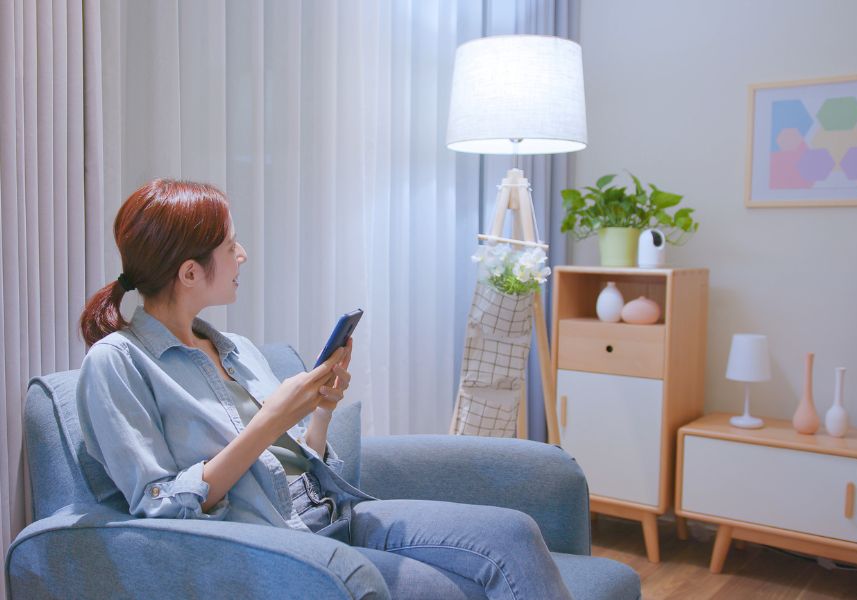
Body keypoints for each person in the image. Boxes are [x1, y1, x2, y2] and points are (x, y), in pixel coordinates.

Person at [76, 179, 573, 600]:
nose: (242, 255)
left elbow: (300, 465)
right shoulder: (117, 364)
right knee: (435, 587)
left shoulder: (236, 349)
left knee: (514, 532)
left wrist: (320, 411)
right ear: (189, 272)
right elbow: (160, 504)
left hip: (338, 515)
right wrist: (272, 416)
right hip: (278, 544)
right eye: (231, 246)